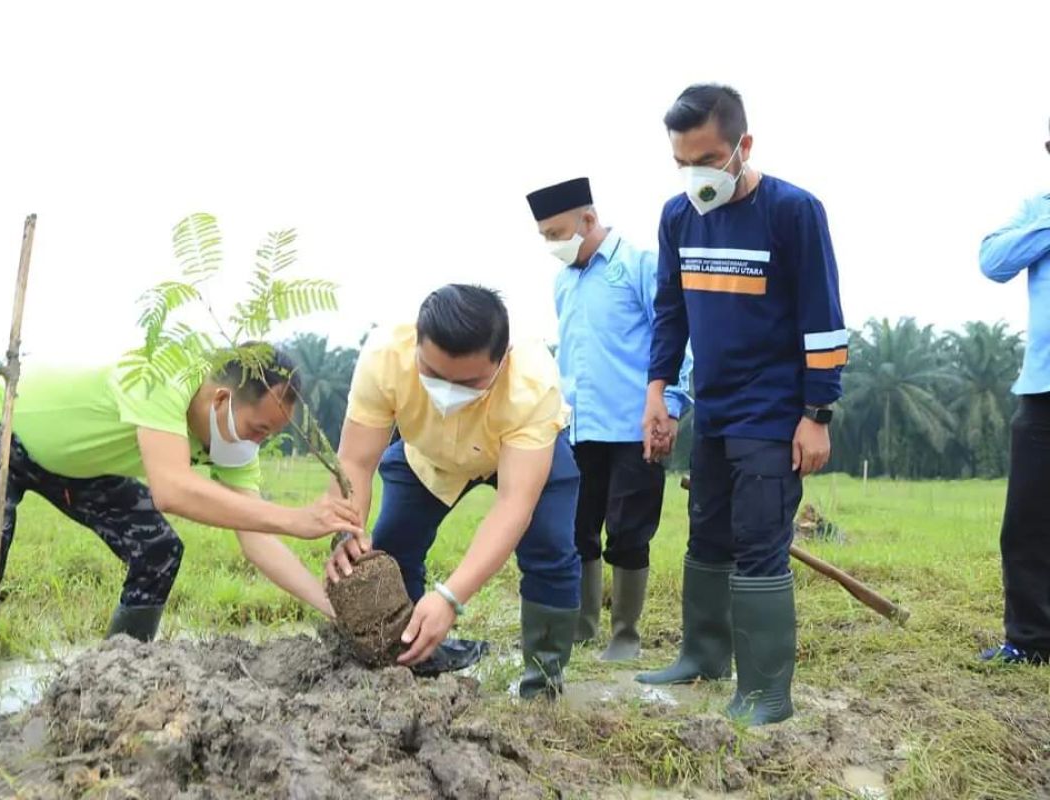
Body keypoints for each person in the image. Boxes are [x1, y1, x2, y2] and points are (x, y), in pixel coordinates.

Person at [0, 345, 363, 739]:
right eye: (257, 429)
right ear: (222, 400)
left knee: (157, 549)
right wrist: (296, 518)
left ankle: (109, 688)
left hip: (73, 467)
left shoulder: (229, 442)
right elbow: (171, 490)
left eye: (268, 436)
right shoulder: (164, 373)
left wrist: (333, 607)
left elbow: (257, 539)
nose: (257, 443)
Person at [636, 84, 847, 726]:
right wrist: (659, 394)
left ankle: (764, 693)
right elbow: (671, 313)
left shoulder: (794, 212)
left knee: (759, 542)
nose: (695, 175)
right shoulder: (679, 217)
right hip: (715, 409)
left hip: (775, 411)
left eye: (707, 158)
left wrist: (817, 415)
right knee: (707, 531)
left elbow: (824, 318)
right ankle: (703, 655)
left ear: (742, 147)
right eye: (682, 162)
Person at [324, 284, 582, 698]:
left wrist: (450, 596)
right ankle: (406, 659)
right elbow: (355, 462)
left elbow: (514, 504)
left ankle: (543, 681)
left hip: (520, 458)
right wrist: (346, 528)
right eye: (433, 373)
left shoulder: (532, 382)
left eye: (470, 382)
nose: (449, 390)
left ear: (503, 359)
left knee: (550, 548)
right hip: (430, 457)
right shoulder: (385, 357)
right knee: (390, 546)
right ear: (417, 347)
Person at [526, 177, 692, 661]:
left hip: (634, 426)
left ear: (589, 221)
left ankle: (625, 636)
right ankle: (582, 627)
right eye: (545, 237)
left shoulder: (637, 266)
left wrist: (671, 406)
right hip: (578, 427)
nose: (552, 245)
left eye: (558, 233)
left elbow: (674, 339)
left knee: (629, 529)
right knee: (578, 530)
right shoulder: (564, 282)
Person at [978, 118, 1050, 665]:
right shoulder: (1037, 209)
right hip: (1041, 393)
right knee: (1026, 524)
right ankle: (1029, 642)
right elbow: (993, 261)